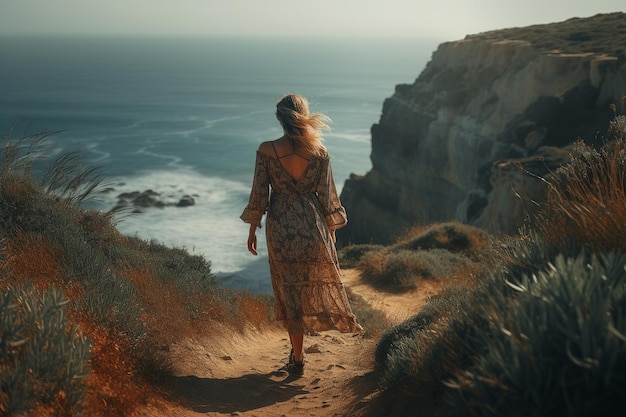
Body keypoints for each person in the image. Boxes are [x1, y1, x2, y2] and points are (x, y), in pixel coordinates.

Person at [240, 93, 362, 376]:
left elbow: (259, 194)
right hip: (312, 227)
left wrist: (252, 229)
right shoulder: (319, 152)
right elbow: (329, 196)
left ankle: (297, 357)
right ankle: (298, 352)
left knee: (289, 292)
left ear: (279, 119)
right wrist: (330, 231)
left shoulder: (266, 149)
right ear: (303, 116)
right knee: (307, 287)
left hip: (281, 228)